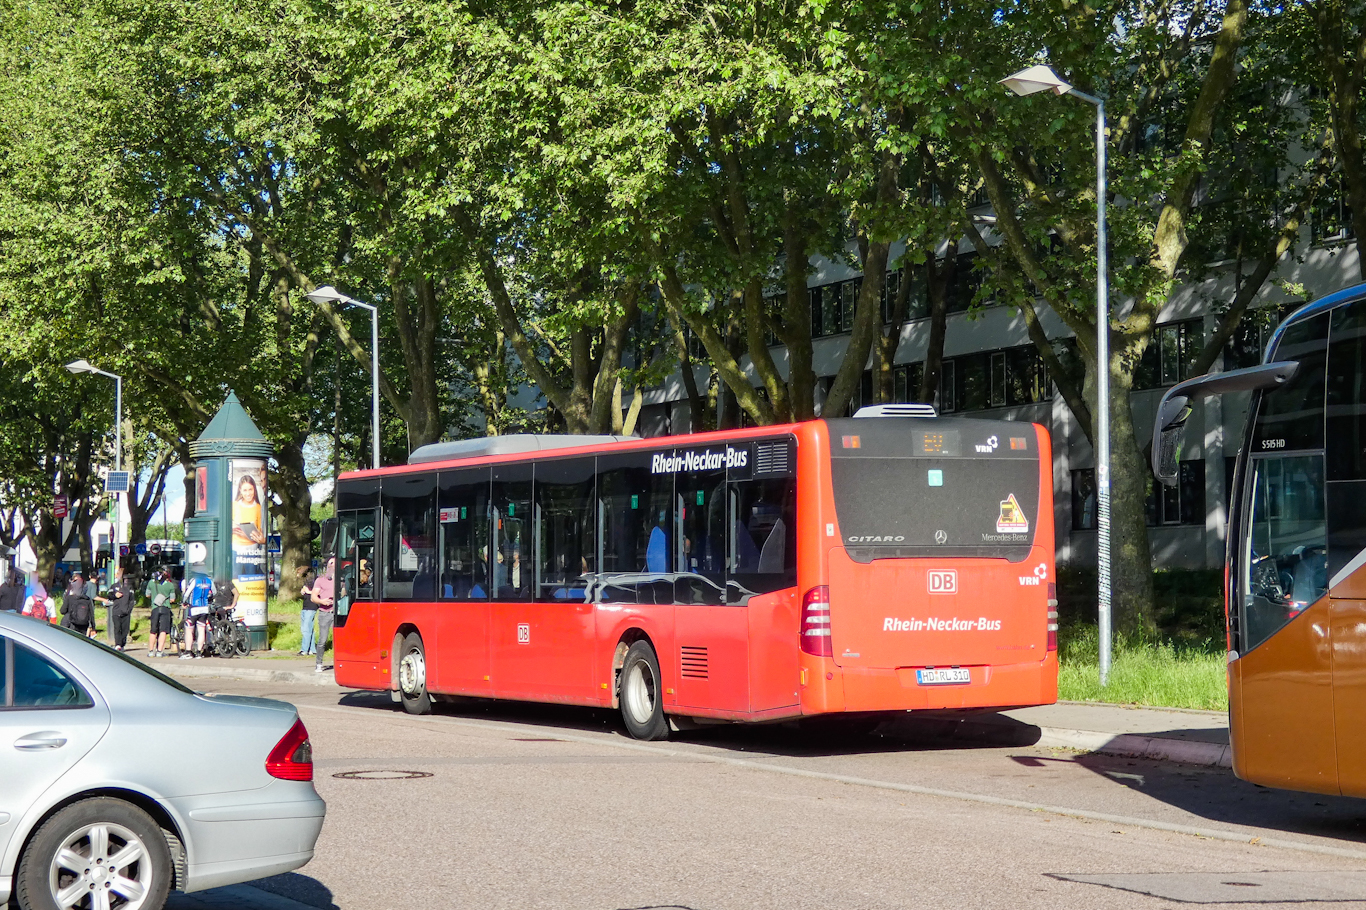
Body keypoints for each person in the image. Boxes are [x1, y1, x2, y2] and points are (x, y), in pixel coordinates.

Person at [97, 568, 136, 651]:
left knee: (125, 629)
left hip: (126, 612)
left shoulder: (129, 587)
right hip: (116, 611)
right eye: (118, 574)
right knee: (117, 628)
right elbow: (109, 596)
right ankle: (117, 644)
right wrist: (115, 595)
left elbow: (132, 600)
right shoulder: (114, 586)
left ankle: (122, 644)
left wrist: (129, 610)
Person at [146, 569, 178, 657]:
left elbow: (147, 595)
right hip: (165, 608)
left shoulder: (151, 583)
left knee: (153, 631)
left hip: (155, 608)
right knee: (163, 630)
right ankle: (160, 651)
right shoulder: (170, 585)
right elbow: (172, 599)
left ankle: (151, 651)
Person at [182, 572, 214, 659]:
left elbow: (187, 593)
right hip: (204, 607)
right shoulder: (209, 581)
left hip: (194, 607)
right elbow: (214, 593)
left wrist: (184, 602)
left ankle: (188, 651)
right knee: (201, 630)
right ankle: (199, 652)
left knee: (189, 629)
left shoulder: (194, 580)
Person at [312, 558, 336, 673]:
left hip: (338, 613)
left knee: (338, 640)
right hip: (324, 613)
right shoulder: (320, 580)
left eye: (335, 563)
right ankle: (319, 663)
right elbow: (313, 597)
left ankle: (339, 662)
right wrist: (323, 601)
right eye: (331, 563)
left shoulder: (341, 579)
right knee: (323, 640)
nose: (333, 565)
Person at [62, 572, 95, 636]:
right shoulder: (87, 599)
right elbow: (91, 614)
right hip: (84, 625)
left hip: (72, 624)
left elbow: (62, 611)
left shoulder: (70, 597)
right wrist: (93, 628)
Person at [297, 564, 318, 656]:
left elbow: (317, 592)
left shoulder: (312, 581)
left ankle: (304, 649)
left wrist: (307, 591)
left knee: (306, 629)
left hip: (311, 607)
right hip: (306, 607)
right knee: (309, 629)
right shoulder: (306, 583)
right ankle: (312, 649)